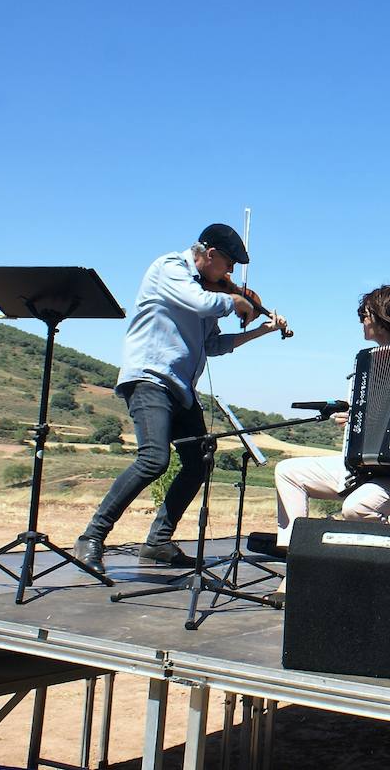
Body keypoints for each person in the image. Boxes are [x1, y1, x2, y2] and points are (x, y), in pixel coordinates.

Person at [74, 224, 289, 573]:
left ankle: (158, 542)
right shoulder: (170, 268)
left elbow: (213, 346)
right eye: (228, 265)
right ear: (209, 255)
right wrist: (235, 299)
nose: (230, 274)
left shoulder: (209, 291)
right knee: (154, 459)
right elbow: (200, 302)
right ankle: (91, 537)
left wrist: (263, 330)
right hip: (149, 379)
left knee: (200, 460)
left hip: (181, 389)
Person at [271, 285, 390, 597]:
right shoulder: (367, 361)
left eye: (365, 314)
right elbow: (368, 414)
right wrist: (351, 418)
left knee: (356, 508)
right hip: (366, 466)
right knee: (287, 471)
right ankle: (298, 562)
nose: (361, 320)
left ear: (383, 318)